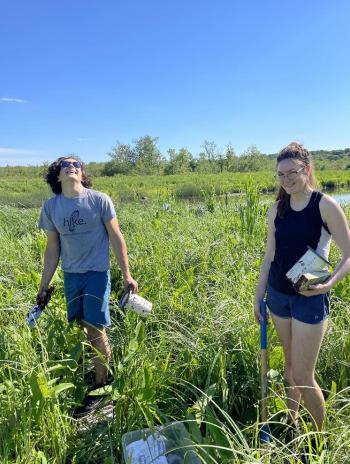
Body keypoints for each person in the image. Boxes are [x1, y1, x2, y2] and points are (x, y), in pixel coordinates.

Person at [254, 142, 350, 434]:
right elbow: (270, 256)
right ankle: (292, 423)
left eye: (291, 172)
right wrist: (259, 296)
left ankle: (319, 439)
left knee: (304, 375)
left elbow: (348, 255)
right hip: (279, 297)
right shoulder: (276, 209)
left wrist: (329, 284)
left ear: (306, 169)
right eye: (280, 175)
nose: (286, 180)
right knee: (290, 367)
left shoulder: (325, 205)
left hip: (310, 297)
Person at [37, 155, 138, 416]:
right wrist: (43, 285)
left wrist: (127, 274)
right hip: (71, 275)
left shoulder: (99, 200)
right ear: (57, 176)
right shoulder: (51, 207)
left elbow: (117, 238)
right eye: (65, 165)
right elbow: (52, 248)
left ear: (82, 174)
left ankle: (101, 387)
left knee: (95, 328)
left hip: (96, 273)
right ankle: (102, 370)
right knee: (83, 326)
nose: (72, 167)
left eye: (77, 165)